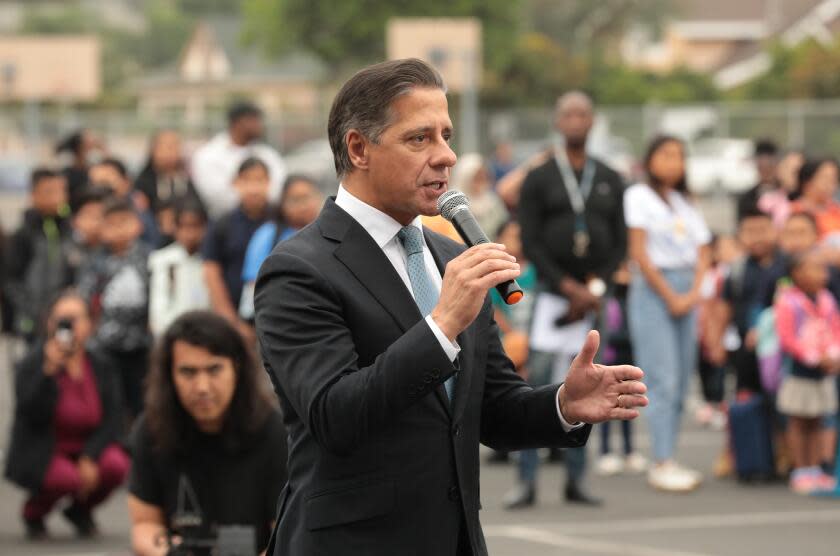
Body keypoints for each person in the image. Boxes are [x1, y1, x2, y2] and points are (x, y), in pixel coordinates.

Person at [253, 58, 647, 556]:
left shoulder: (452, 257)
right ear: (359, 148)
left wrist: (563, 405)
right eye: (420, 138)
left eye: (446, 134)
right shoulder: (298, 269)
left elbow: (492, 410)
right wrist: (442, 325)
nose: (447, 155)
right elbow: (335, 416)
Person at [513, 90, 628, 507]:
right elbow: (530, 239)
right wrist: (567, 287)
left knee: (587, 387)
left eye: (583, 113)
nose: (576, 120)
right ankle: (526, 481)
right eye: (568, 114)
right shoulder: (540, 177)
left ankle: (576, 479)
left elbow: (619, 243)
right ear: (557, 122)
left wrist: (594, 290)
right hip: (552, 296)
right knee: (537, 385)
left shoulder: (610, 177)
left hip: (592, 302)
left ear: (593, 121)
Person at [128, 311, 287, 556]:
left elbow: (287, 537)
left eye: (214, 370)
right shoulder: (151, 430)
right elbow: (144, 526)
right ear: (169, 375)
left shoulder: (275, 432)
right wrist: (167, 552)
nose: (202, 387)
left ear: (237, 368)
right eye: (188, 372)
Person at [4, 290, 129, 539]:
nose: (70, 327)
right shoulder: (34, 362)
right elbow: (29, 413)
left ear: (90, 324)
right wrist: (48, 372)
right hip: (46, 448)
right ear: (50, 324)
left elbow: (113, 417)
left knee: (116, 465)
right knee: (65, 478)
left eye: (76, 319)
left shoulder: (100, 364)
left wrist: (90, 456)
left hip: (87, 445)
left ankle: (80, 510)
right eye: (63, 320)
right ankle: (34, 511)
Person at [625, 135, 712, 492]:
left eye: (679, 156)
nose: (674, 162)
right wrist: (671, 296)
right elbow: (640, 254)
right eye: (666, 155)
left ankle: (670, 455)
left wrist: (691, 293)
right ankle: (661, 461)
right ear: (650, 159)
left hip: (685, 290)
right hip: (654, 290)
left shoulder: (683, 202)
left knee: (682, 380)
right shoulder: (638, 196)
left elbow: (705, 249)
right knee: (663, 379)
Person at [78, 197, 152, 419]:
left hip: (141, 344)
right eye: (111, 223)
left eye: (124, 221)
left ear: (138, 224)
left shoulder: (149, 257)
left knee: (141, 402)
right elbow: (85, 298)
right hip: (105, 345)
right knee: (109, 403)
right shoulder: (95, 262)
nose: (118, 229)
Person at [775, 249, 840, 493]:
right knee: (798, 421)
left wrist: (833, 354)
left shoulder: (827, 299)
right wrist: (813, 357)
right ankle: (800, 468)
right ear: (796, 273)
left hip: (824, 371)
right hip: (799, 372)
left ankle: (815, 468)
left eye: (823, 269)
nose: (822, 274)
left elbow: (836, 329)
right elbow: (787, 339)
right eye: (814, 268)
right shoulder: (788, 302)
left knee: (818, 420)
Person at [711, 208, 785, 396]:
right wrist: (717, 342)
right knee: (747, 399)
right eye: (750, 232)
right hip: (746, 348)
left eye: (762, 230)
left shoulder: (787, 265)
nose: (757, 237)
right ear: (740, 236)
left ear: (775, 231)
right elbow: (724, 306)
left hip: (782, 350)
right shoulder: (737, 269)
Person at [202, 157, 270, 342]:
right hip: (234, 323)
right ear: (236, 183)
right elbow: (211, 271)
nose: (254, 188)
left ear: (269, 183)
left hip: (276, 321)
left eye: (260, 180)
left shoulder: (280, 221)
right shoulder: (222, 224)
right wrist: (231, 321)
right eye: (247, 180)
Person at [239, 174, 323, 322]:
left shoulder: (328, 233)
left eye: (307, 197)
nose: (303, 206)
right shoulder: (267, 235)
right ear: (282, 204)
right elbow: (253, 286)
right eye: (296, 200)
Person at [5, 168, 73, 341]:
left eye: (61, 191)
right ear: (33, 195)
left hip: (62, 319)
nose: (57, 197)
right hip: (29, 321)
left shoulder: (69, 230)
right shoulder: (24, 234)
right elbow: (11, 280)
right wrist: (32, 311)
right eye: (49, 192)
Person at [191, 101, 287, 220]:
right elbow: (217, 197)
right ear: (237, 123)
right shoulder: (208, 155)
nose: (259, 125)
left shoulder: (267, 154)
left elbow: (280, 187)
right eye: (253, 120)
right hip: (225, 227)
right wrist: (255, 196)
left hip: (267, 220)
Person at [595, 262, 647, 476]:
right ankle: (605, 451)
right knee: (607, 409)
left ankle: (629, 451)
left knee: (627, 408)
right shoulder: (607, 302)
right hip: (610, 359)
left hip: (629, 359)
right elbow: (606, 333)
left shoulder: (635, 301)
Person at [148, 198, 211, 336]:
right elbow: (158, 309)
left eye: (196, 226)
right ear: (175, 228)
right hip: (171, 334)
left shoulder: (211, 261)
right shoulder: (162, 259)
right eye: (183, 227)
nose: (190, 234)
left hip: (207, 334)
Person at [89, 157, 160, 247]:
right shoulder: (90, 207)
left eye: (106, 182)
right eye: (96, 183)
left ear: (126, 181)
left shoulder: (137, 204)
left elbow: (152, 240)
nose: (102, 189)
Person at [134, 129, 199, 215]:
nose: (171, 152)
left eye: (175, 146)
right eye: (167, 147)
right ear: (153, 150)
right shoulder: (143, 182)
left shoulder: (186, 178)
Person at [450, 153, 508, 242]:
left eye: (484, 176)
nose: (482, 180)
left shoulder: (493, 201)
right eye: (476, 177)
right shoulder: (453, 203)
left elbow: (504, 228)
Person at [790, 158, 840, 246]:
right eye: (825, 178)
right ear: (807, 181)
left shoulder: (837, 210)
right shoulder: (792, 211)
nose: (831, 184)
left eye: (834, 179)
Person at [66, 186, 109, 283]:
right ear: (74, 221)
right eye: (89, 215)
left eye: (101, 215)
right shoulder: (67, 251)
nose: (95, 222)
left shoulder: (117, 252)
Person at [56, 129, 106, 210]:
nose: (95, 148)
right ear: (79, 148)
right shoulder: (66, 174)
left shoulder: (99, 169)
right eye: (91, 145)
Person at [737, 139, 779, 221]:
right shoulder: (746, 200)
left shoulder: (787, 194)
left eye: (769, 164)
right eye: (761, 166)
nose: (765, 169)